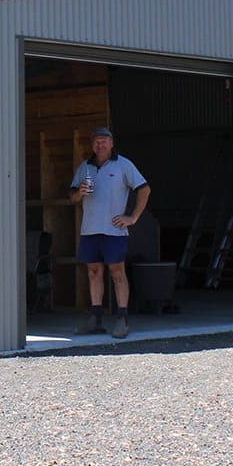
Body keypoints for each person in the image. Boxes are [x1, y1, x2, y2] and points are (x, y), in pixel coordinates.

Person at [69, 126, 151, 338]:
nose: (100, 144)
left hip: (114, 231)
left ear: (112, 143)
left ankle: (122, 318)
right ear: (92, 145)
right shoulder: (85, 167)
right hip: (90, 230)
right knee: (94, 273)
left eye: (104, 140)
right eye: (96, 141)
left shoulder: (123, 165)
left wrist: (132, 218)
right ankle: (96, 318)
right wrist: (80, 192)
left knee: (117, 272)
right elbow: (73, 197)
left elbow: (144, 189)